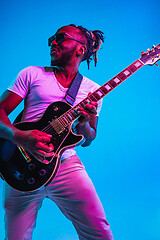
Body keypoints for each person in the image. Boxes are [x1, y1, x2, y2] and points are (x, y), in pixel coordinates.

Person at [0, 24, 114, 240]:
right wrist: (20, 137)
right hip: (21, 165)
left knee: (100, 234)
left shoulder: (92, 90)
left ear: (81, 49)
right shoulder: (32, 73)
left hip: (65, 166)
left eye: (61, 38)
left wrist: (84, 120)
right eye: (52, 38)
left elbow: (88, 138)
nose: (53, 42)